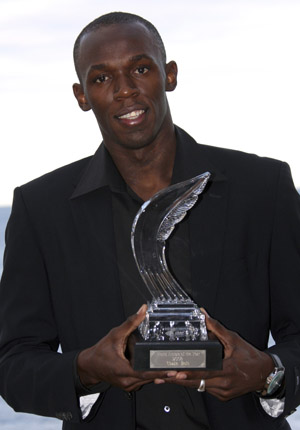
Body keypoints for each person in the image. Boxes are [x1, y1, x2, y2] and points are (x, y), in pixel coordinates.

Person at [0, 11, 300, 430]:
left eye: (140, 69)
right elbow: (13, 364)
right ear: (81, 95)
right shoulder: (40, 206)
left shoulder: (264, 187)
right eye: (101, 78)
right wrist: (85, 369)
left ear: (169, 75)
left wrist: (270, 373)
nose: (124, 90)